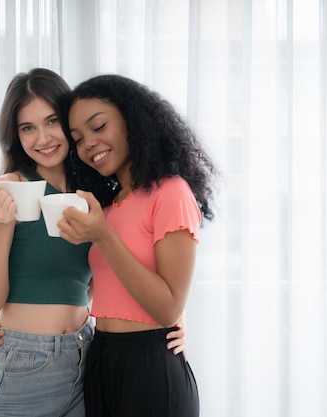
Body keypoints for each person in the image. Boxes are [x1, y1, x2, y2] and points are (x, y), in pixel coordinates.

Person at [0, 68, 186, 417]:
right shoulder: (10, 189)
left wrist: (171, 321)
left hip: (87, 358)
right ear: (15, 135)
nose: (43, 137)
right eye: (28, 127)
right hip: (26, 365)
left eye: (52, 122)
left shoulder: (97, 194)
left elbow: (109, 275)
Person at [57, 74, 218, 417]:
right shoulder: (109, 206)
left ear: (133, 120)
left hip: (150, 368)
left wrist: (103, 236)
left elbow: (169, 308)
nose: (88, 144)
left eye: (98, 126)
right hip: (101, 357)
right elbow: (98, 288)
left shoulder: (171, 192)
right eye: (78, 139)